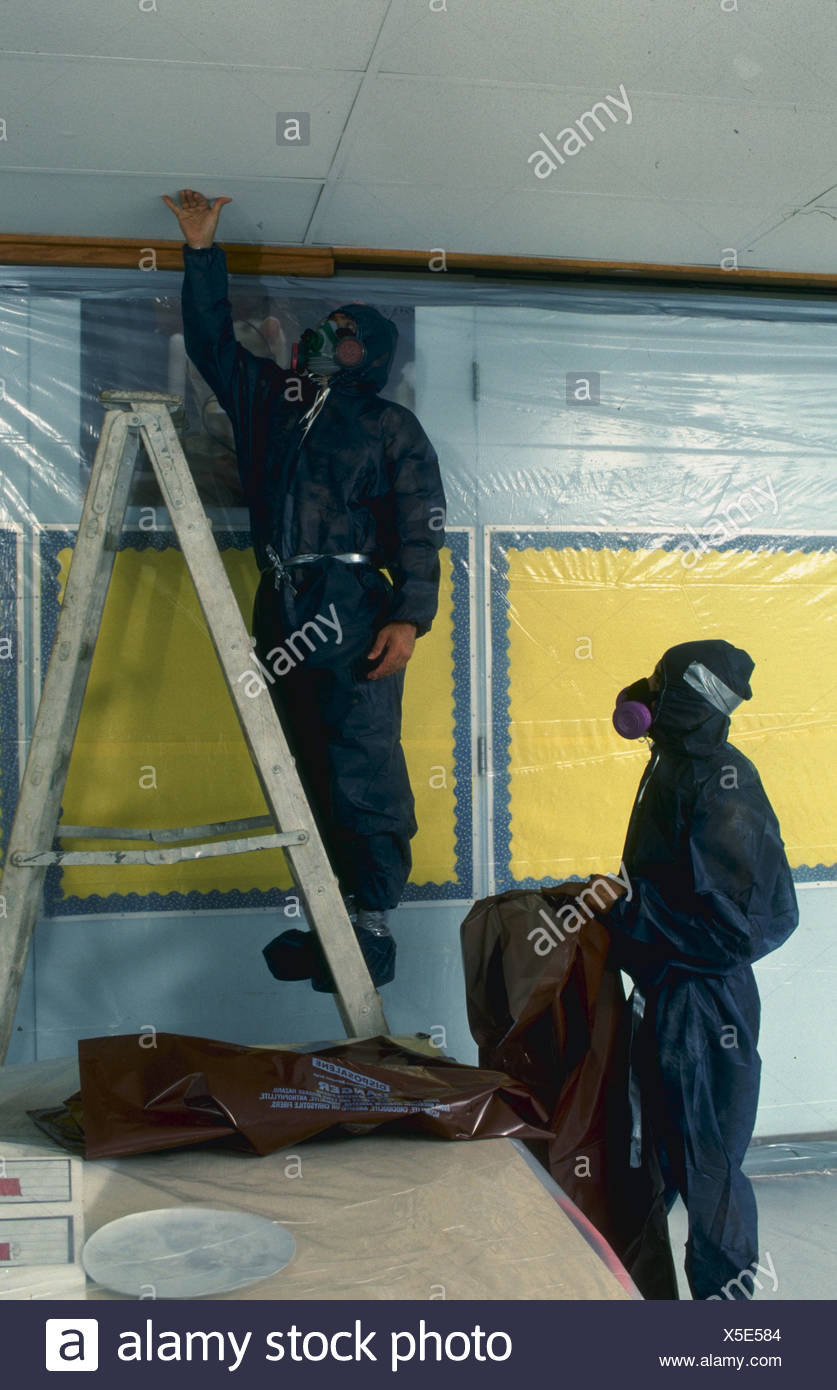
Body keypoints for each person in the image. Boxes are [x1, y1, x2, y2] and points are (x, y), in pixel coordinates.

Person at [162, 189, 446, 990]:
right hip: (281, 600)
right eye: (329, 330)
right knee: (297, 757)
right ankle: (324, 919)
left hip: (352, 607)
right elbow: (213, 341)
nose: (330, 340)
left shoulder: (390, 427)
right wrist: (200, 249)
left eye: (348, 336)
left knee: (362, 759)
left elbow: (421, 529)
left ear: (374, 355)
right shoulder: (272, 405)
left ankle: (372, 923)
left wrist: (409, 620)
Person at [595, 639, 798, 1299]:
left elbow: (730, 931)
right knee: (642, 1160)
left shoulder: (719, 781)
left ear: (685, 698)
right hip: (663, 992)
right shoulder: (674, 763)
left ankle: (729, 1339)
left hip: (705, 1008)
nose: (643, 700)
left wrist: (625, 910)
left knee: (707, 1167)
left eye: (661, 686)